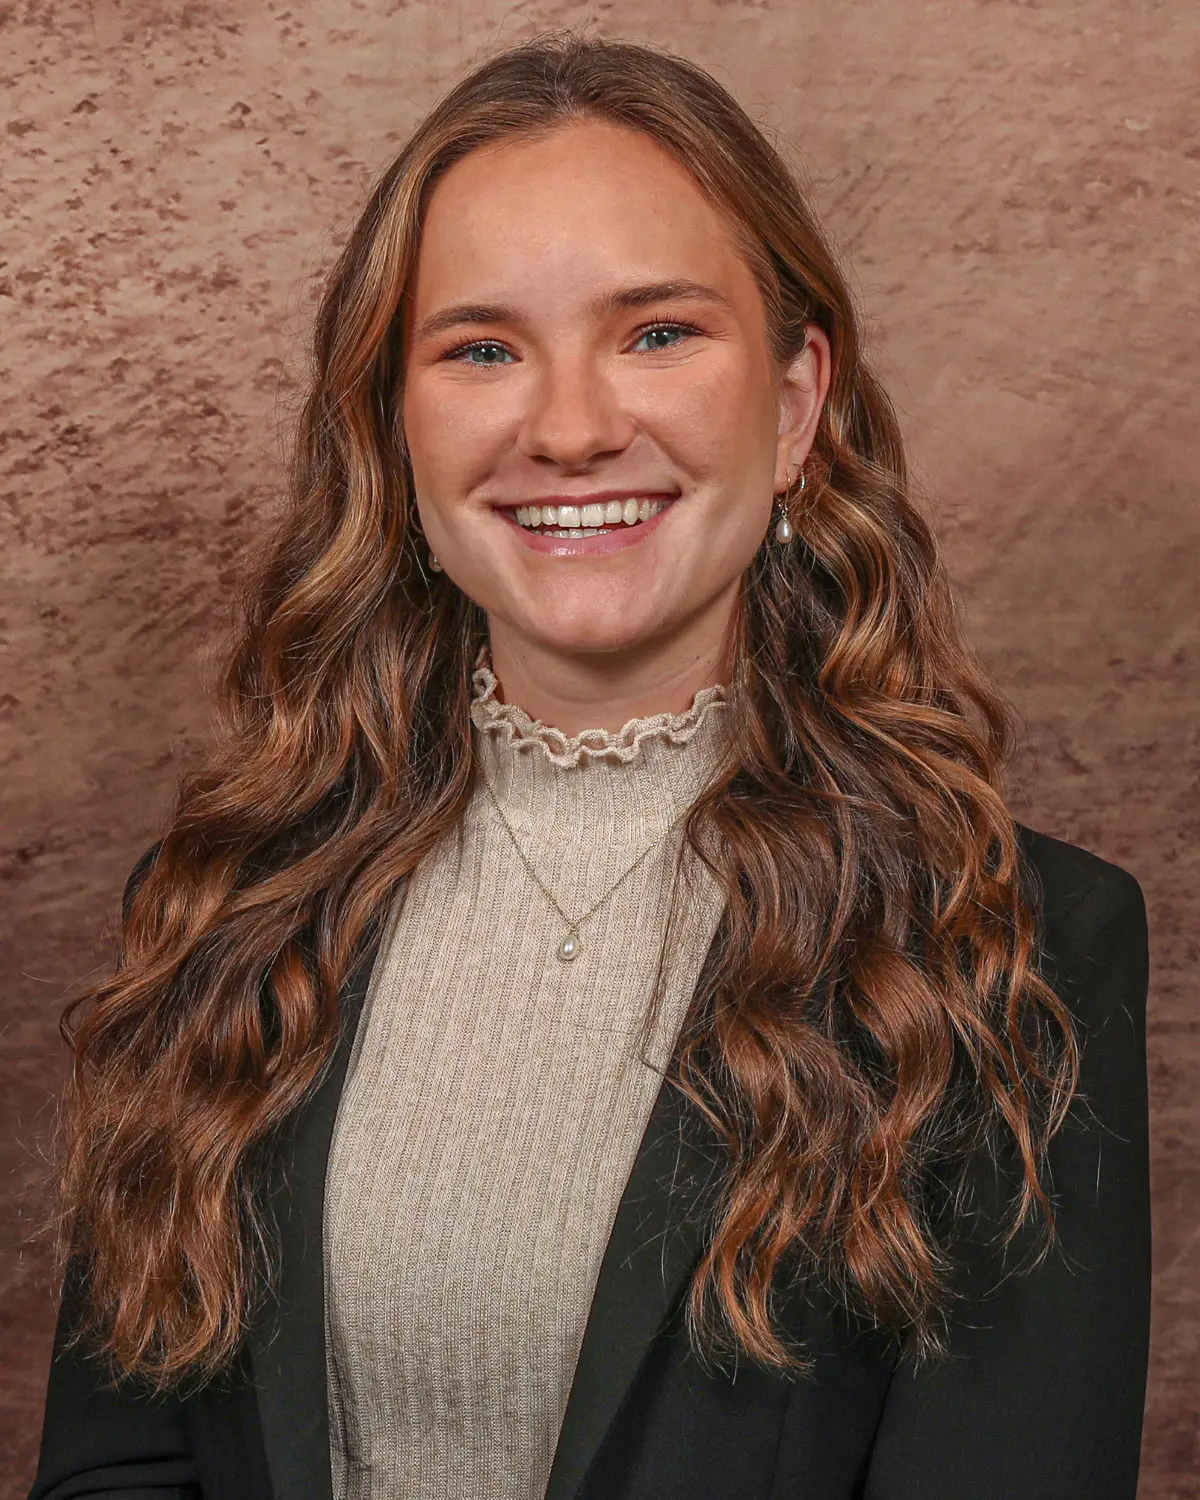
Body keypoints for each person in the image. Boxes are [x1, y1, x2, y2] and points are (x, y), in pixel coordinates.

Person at [29, 31, 1150, 1500]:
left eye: (660, 333)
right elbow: (116, 1473)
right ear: (395, 426)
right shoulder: (220, 921)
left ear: (799, 402)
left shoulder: (1014, 958)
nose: (570, 428)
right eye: (482, 349)